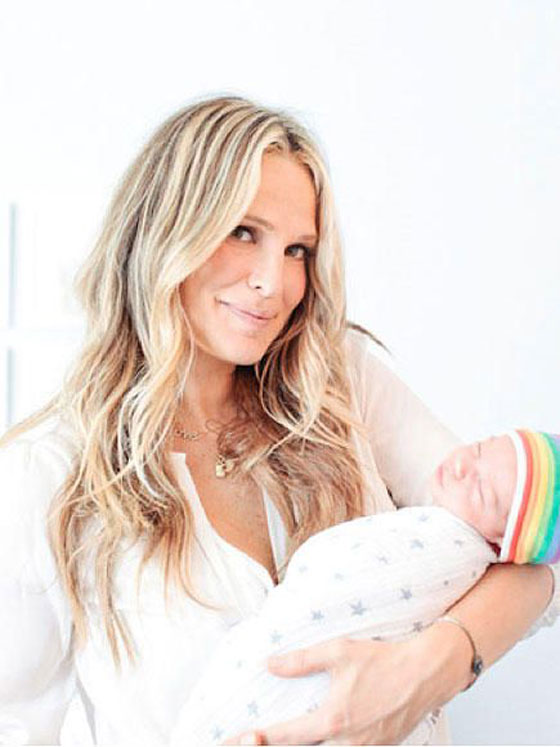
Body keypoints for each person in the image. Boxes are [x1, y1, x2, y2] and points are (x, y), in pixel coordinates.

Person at [0, 95, 558, 747]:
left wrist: (432, 667)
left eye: (298, 249)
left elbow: (537, 544)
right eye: (243, 232)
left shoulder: (341, 382)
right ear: (163, 229)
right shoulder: (45, 474)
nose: (274, 281)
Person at [170, 429, 560, 745]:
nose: (461, 465)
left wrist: (431, 664)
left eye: (483, 491)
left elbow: (548, 574)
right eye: (477, 448)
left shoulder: (454, 545)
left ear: (502, 542)